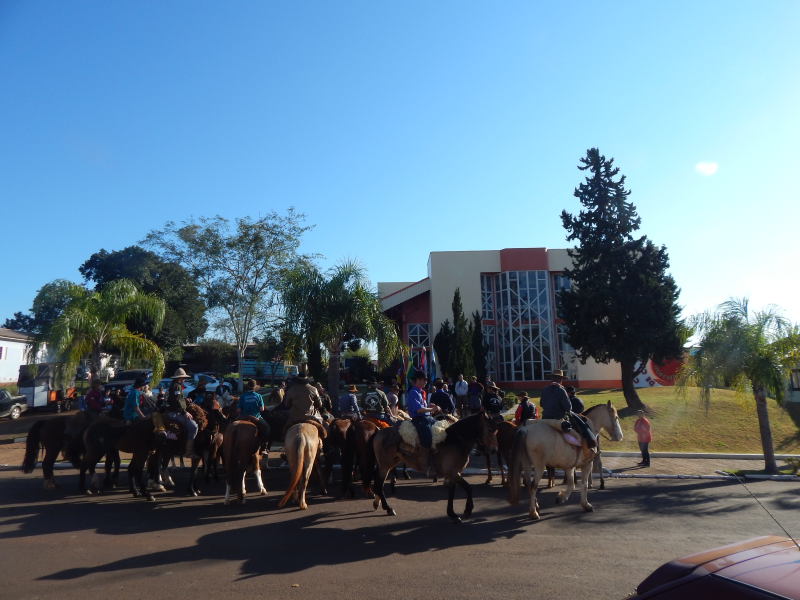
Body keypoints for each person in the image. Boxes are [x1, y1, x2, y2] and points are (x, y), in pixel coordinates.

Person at [407, 371, 441, 475]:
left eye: (426, 380)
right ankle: (424, 466)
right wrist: (432, 409)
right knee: (427, 438)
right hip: (419, 419)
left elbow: (422, 408)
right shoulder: (413, 392)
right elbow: (418, 410)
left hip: (426, 418)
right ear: (417, 380)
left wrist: (429, 406)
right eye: (424, 380)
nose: (425, 382)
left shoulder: (421, 392)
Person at [166, 368, 199, 458]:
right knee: (193, 426)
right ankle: (188, 452)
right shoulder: (177, 386)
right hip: (175, 412)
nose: (184, 380)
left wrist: (184, 400)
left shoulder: (174, 385)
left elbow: (175, 399)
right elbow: (176, 401)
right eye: (183, 378)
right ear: (179, 378)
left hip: (174, 410)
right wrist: (184, 412)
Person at [236, 379, 271, 455]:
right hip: (256, 417)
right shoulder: (258, 396)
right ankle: (264, 448)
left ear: (247, 387)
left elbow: (238, 410)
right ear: (254, 388)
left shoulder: (242, 396)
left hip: (243, 417)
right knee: (267, 428)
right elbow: (262, 409)